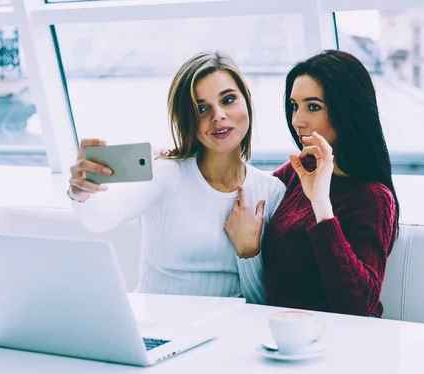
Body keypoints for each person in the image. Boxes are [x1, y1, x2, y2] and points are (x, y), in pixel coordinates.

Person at [66, 52, 286, 304]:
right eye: (202, 108)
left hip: (228, 332)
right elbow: (100, 218)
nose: (218, 115)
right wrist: (82, 191)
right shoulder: (167, 174)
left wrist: (249, 251)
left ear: (246, 100)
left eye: (228, 100)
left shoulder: (272, 192)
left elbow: (264, 306)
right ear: (187, 120)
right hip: (157, 327)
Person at [227, 50, 399, 317]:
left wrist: (321, 204)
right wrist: (186, 159)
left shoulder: (373, 197)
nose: (297, 120)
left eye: (313, 106)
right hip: (286, 339)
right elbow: (245, 186)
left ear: (347, 111)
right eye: (295, 106)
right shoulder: (298, 171)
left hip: (340, 345)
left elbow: (358, 306)